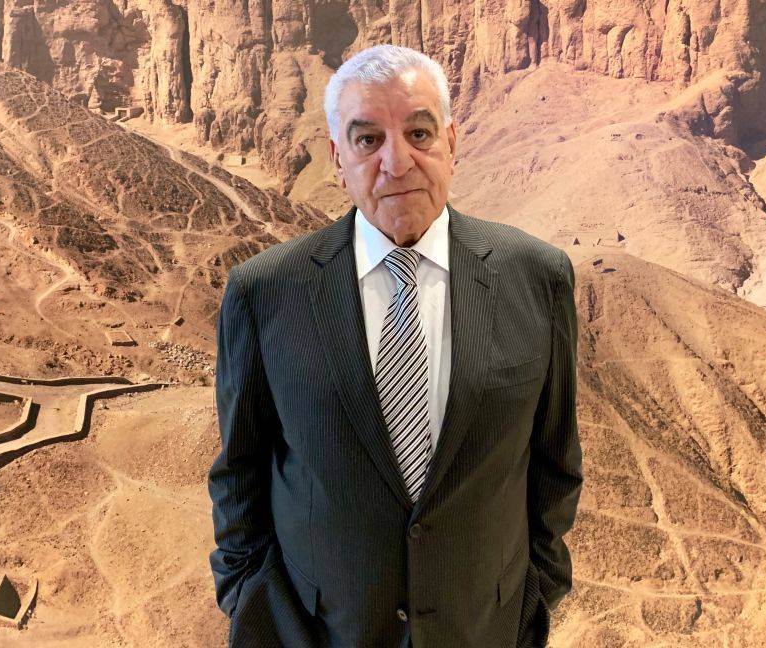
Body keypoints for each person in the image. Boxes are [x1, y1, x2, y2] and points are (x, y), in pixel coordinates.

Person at [208, 44, 582, 648]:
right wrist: (252, 604)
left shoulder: (537, 279)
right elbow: (239, 475)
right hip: (319, 634)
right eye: (368, 140)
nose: (397, 161)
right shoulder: (266, 293)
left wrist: (535, 596)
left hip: (483, 631)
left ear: (452, 142)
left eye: (419, 133)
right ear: (338, 158)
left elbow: (555, 465)